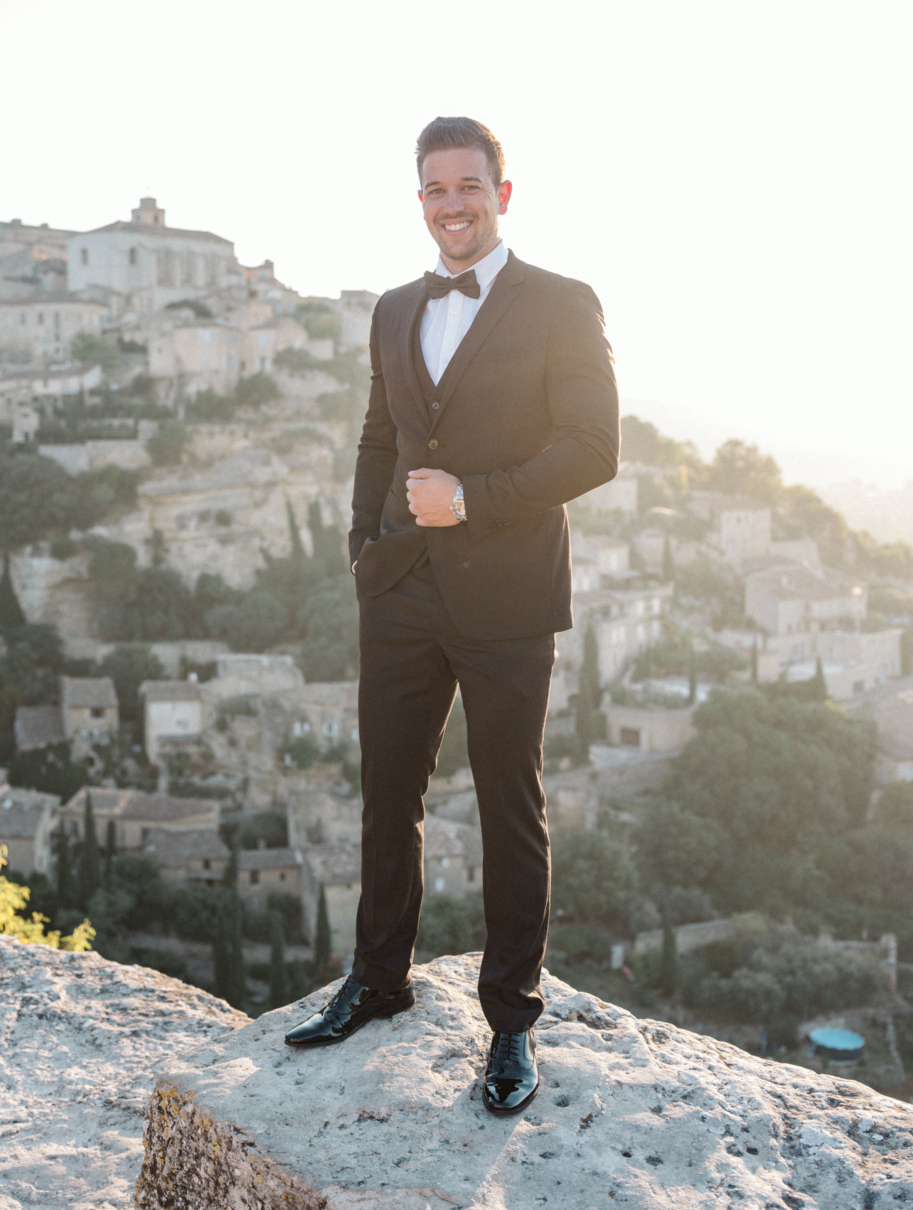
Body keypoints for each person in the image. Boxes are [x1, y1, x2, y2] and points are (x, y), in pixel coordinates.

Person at [285, 116, 619, 1115]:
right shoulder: (394, 309)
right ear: (420, 199)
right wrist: (362, 547)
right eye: (435, 189)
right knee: (388, 794)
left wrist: (470, 495)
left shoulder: (563, 303)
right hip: (399, 591)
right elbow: (378, 439)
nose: (453, 205)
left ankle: (512, 1023)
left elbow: (593, 448)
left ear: (503, 194)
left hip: (509, 596)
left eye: (469, 186)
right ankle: (377, 980)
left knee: (509, 804)